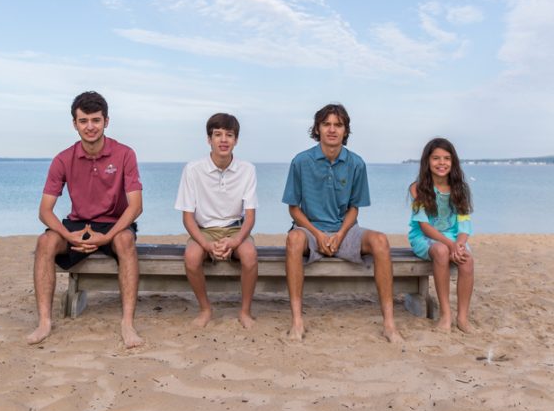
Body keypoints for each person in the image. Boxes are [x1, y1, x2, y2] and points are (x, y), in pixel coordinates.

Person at [27, 91, 144, 348]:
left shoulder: (125, 154)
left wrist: (108, 235)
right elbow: (45, 211)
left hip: (115, 223)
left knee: (125, 241)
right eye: (83, 121)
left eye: (95, 120)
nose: (90, 126)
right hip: (77, 224)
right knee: (45, 242)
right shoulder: (62, 159)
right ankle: (45, 322)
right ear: (75, 124)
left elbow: (136, 207)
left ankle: (127, 322)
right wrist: (68, 236)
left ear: (106, 121)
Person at [282, 104, 403, 343]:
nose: (332, 129)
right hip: (310, 231)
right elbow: (293, 208)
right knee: (294, 239)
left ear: (345, 130)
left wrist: (339, 234)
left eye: (338, 125)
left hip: (345, 231)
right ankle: (297, 321)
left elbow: (354, 208)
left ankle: (389, 324)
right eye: (326, 124)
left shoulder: (356, 163)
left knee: (380, 241)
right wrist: (317, 234)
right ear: (317, 128)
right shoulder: (301, 161)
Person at [174, 113, 258, 329]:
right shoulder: (193, 169)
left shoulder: (247, 170)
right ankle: (205, 309)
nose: (223, 140)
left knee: (250, 256)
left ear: (236, 140)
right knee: (191, 257)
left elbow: (249, 217)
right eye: (217, 134)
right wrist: (206, 244)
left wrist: (235, 241)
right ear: (208, 139)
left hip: (235, 228)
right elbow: (187, 217)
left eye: (229, 135)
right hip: (204, 230)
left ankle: (245, 311)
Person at [408, 137, 474, 333]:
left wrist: (459, 244)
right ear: (427, 161)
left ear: (453, 162)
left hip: (453, 237)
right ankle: (445, 315)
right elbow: (424, 225)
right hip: (424, 237)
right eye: (436, 158)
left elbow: (464, 224)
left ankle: (462, 317)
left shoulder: (459, 189)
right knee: (441, 251)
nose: (441, 163)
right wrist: (449, 245)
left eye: (446, 158)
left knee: (467, 260)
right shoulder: (417, 188)